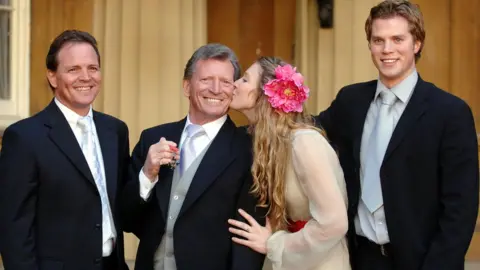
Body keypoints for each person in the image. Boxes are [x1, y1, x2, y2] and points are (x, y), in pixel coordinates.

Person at [315, 1, 479, 269]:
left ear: (417, 44)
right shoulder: (351, 100)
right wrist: (267, 98)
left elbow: (460, 209)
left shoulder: (451, 113)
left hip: (421, 261)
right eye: (378, 40)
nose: (386, 49)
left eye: (397, 39)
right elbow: (307, 132)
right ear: (370, 45)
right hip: (359, 258)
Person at [120, 43, 267, 270]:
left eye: (226, 82)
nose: (216, 89)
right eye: (206, 79)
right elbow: (127, 219)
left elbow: (246, 239)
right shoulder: (153, 138)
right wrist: (147, 174)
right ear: (187, 86)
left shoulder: (249, 150)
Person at [0, 30, 130, 270]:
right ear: (52, 76)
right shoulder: (24, 138)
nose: (86, 77)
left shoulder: (116, 131)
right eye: (73, 69)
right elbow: (13, 229)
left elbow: (124, 204)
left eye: (93, 68)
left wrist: (149, 173)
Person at [227, 56, 350, 270]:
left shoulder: (305, 143)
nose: (234, 84)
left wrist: (273, 244)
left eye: (245, 80)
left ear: (267, 95)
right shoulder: (268, 143)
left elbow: (334, 223)